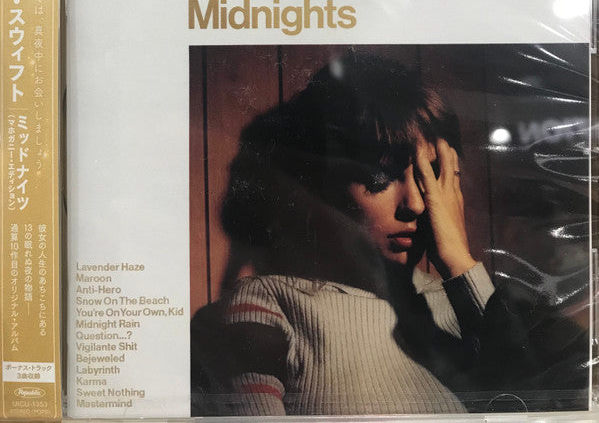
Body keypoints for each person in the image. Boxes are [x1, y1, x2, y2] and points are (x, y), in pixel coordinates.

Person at [190, 52, 588, 416]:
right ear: (322, 182)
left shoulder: (465, 309)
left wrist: (460, 263)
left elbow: (535, 404)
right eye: (379, 177)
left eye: (431, 179)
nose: (415, 204)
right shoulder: (270, 306)